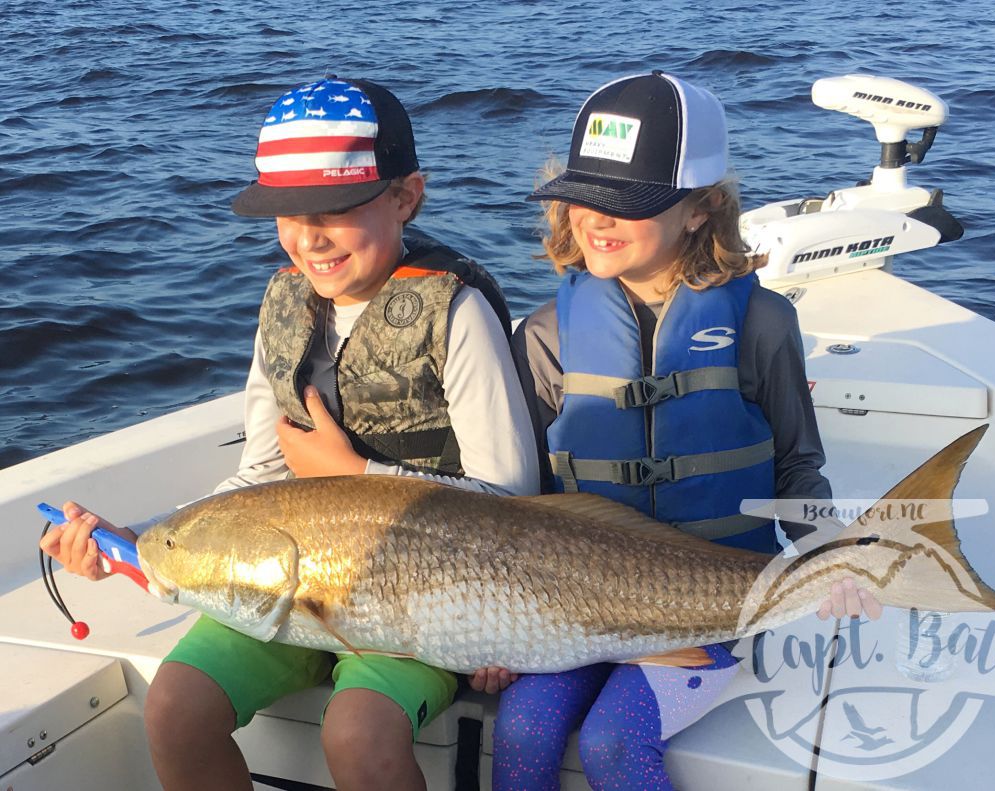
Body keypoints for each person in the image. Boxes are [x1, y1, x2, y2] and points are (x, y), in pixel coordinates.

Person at [40, 76, 539, 791]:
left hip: (420, 606)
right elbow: (258, 478)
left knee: (357, 736)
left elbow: (509, 501)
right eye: (285, 212)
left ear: (406, 196)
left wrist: (354, 473)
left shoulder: (455, 313)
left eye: (335, 208)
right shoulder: (285, 307)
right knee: (175, 708)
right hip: (291, 591)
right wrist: (139, 541)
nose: (309, 237)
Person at [494, 71, 880, 790]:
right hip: (572, 605)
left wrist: (835, 551)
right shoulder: (546, 336)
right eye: (583, 197)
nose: (595, 220)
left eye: (627, 204)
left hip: (710, 601)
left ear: (702, 209)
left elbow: (797, 466)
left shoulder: (762, 324)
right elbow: (530, 496)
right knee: (521, 726)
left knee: (613, 740)